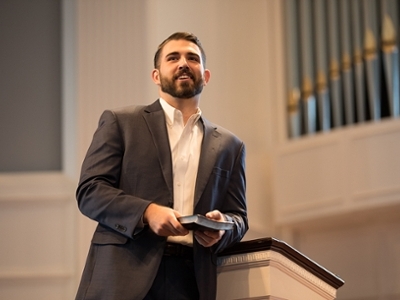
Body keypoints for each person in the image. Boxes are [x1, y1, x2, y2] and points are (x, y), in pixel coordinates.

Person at [75, 31, 248, 300]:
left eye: (192, 58)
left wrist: (223, 226)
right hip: (123, 274)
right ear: (156, 75)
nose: (183, 63)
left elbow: (239, 218)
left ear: (206, 75)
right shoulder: (121, 122)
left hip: (193, 279)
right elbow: (90, 192)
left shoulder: (230, 145)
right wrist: (147, 212)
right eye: (173, 57)